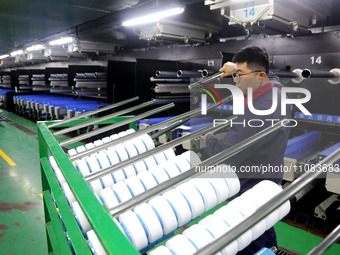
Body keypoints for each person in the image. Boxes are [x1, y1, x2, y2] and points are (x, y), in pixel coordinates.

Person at [203, 45, 291, 254]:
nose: (235, 81)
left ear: (260, 75)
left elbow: (228, 157)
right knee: (264, 227)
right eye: (235, 75)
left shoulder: (256, 111)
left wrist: (209, 140)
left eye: (240, 75)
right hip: (269, 181)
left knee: (248, 238)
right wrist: (236, 67)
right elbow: (272, 75)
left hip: (250, 189)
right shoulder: (278, 90)